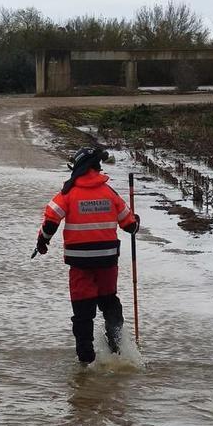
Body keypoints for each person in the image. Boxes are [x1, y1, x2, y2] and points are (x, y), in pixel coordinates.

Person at [35, 147, 139, 365]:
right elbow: (129, 225)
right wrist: (136, 222)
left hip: (80, 265)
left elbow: (51, 222)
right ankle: (118, 349)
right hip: (108, 263)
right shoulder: (109, 193)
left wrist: (42, 242)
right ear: (96, 168)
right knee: (110, 303)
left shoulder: (68, 193)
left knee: (83, 314)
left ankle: (85, 362)